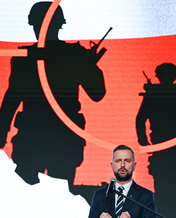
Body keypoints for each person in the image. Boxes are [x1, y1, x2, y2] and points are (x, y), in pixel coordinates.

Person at [0, 2, 106, 197]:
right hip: (57, 137)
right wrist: (89, 66)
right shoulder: (74, 55)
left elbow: (11, 99)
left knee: (31, 193)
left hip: (37, 136)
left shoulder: (25, 57)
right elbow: (97, 93)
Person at [136, 63, 176, 209]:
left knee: (173, 172)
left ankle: (171, 207)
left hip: (171, 142)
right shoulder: (157, 94)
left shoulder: (159, 94)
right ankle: (166, 207)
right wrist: (143, 140)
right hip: (164, 142)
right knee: (164, 173)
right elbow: (140, 119)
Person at [86, 145, 157, 218]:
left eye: (127, 161)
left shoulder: (145, 196)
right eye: (118, 161)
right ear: (112, 165)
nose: (122, 165)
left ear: (134, 166)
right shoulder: (100, 195)